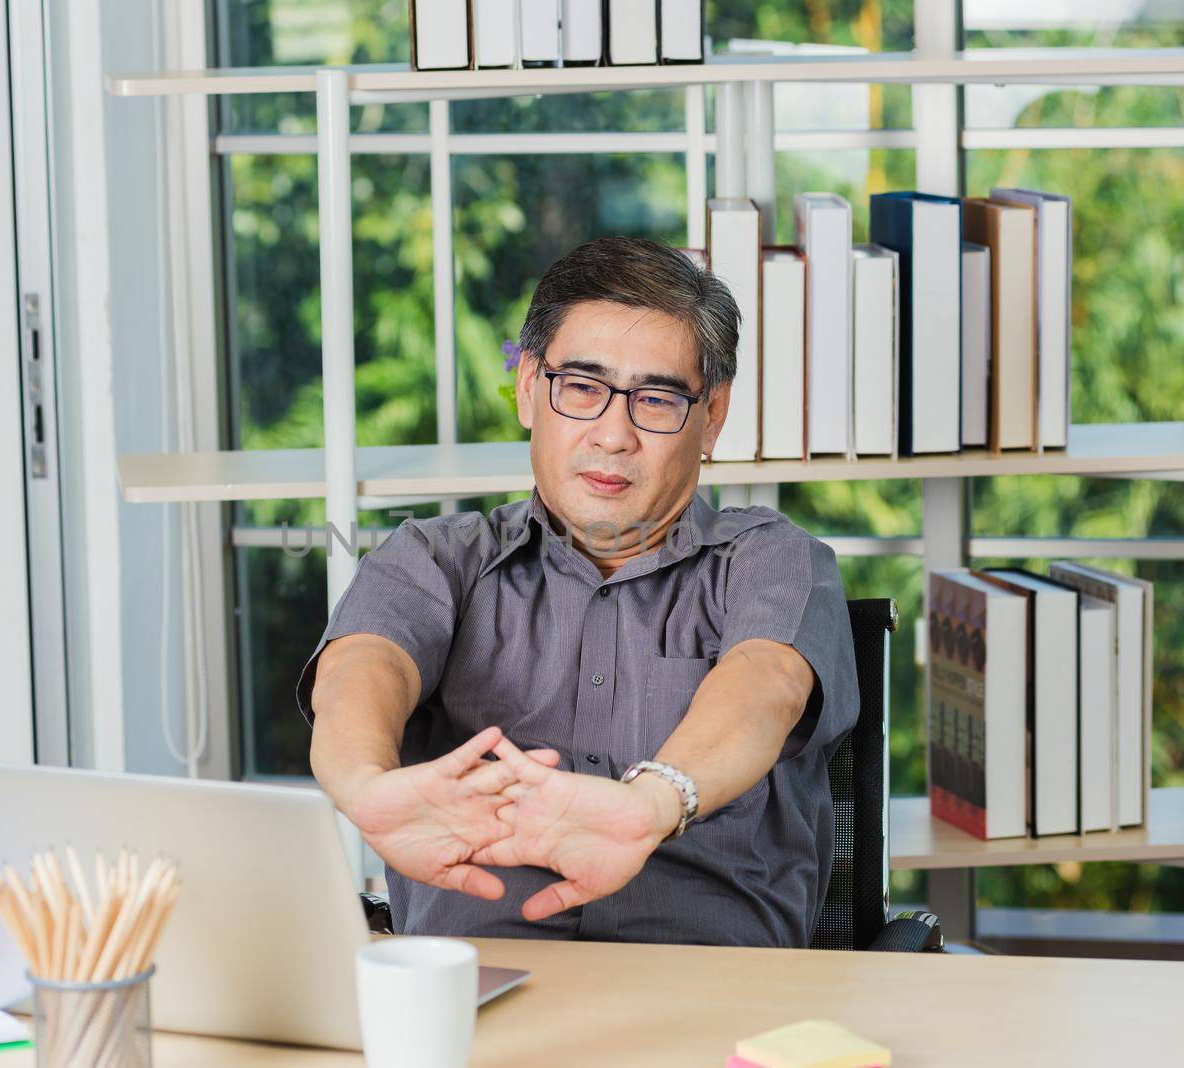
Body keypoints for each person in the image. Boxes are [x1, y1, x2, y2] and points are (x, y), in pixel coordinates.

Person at [296, 235, 858, 947]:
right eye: (584, 389)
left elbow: (766, 681)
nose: (614, 434)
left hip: (713, 999)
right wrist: (364, 786)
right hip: (480, 991)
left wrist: (651, 805)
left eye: (656, 398)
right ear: (530, 388)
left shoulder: (773, 559)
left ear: (711, 417)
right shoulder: (437, 558)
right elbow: (358, 669)